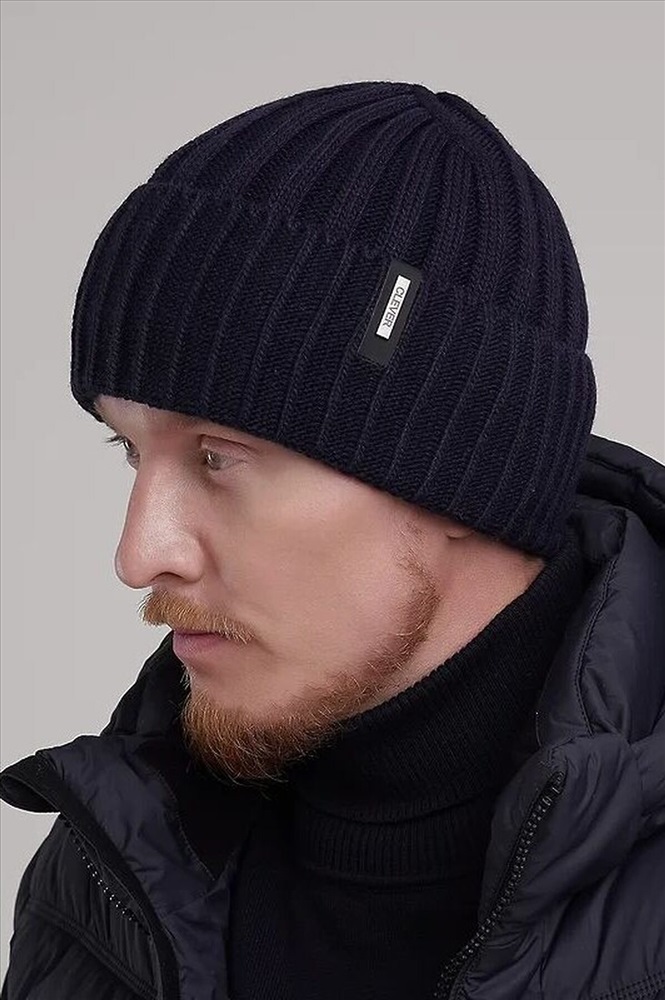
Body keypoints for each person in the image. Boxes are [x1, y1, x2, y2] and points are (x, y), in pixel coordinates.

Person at [1, 80, 663, 1000]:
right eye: (130, 451)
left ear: (456, 471)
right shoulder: (108, 872)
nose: (139, 555)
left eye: (217, 457)